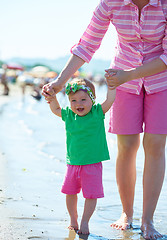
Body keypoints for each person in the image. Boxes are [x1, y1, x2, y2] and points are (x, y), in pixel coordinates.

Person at [42, 0, 167, 239]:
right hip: (120, 81)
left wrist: (130, 74)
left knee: (155, 145)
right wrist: (59, 82)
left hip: (160, 81)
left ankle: (148, 220)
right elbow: (87, 44)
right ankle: (126, 215)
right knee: (127, 146)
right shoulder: (111, 3)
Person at [45, 77, 116, 234]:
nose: (79, 104)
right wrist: (52, 98)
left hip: (93, 163)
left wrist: (111, 87)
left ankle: (85, 221)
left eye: (83, 99)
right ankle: (73, 219)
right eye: (74, 100)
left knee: (91, 194)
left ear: (92, 99)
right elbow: (56, 109)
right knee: (70, 192)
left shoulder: (97, 112)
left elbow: (109, 101)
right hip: (73, 163)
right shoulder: (69, 115)